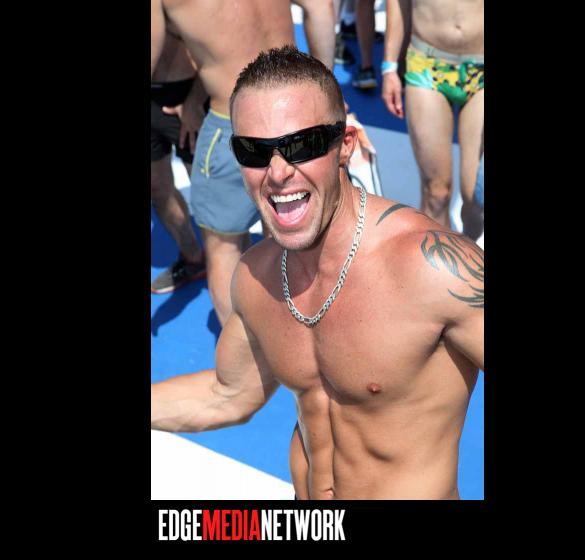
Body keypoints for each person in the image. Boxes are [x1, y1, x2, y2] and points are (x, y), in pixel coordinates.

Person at [151, 46, 484, 500]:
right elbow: (227, 394)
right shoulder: (258, 275)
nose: (277, 172)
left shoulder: (434, 269)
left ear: (344, 145)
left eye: (301, 146)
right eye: (254, 151)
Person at [151, 0, 310, 326]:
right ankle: (289, 328)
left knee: (225, 242)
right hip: (284, 108)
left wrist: (194, 96)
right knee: (286, 230)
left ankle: (250, 340)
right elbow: (319, 11)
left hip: (220, 109)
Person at [381, 0, 484, 240]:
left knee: (477, 200)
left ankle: (465, 252)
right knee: (436, 193)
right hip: (426, 65)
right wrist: (389, 66)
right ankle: (438, 260)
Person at [151, 31, 207, 294]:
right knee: (157, 188)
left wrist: (196, 99)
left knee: (211, 192)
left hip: (186, 91)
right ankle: (193, 258)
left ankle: (239, 266)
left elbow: (216, 39)